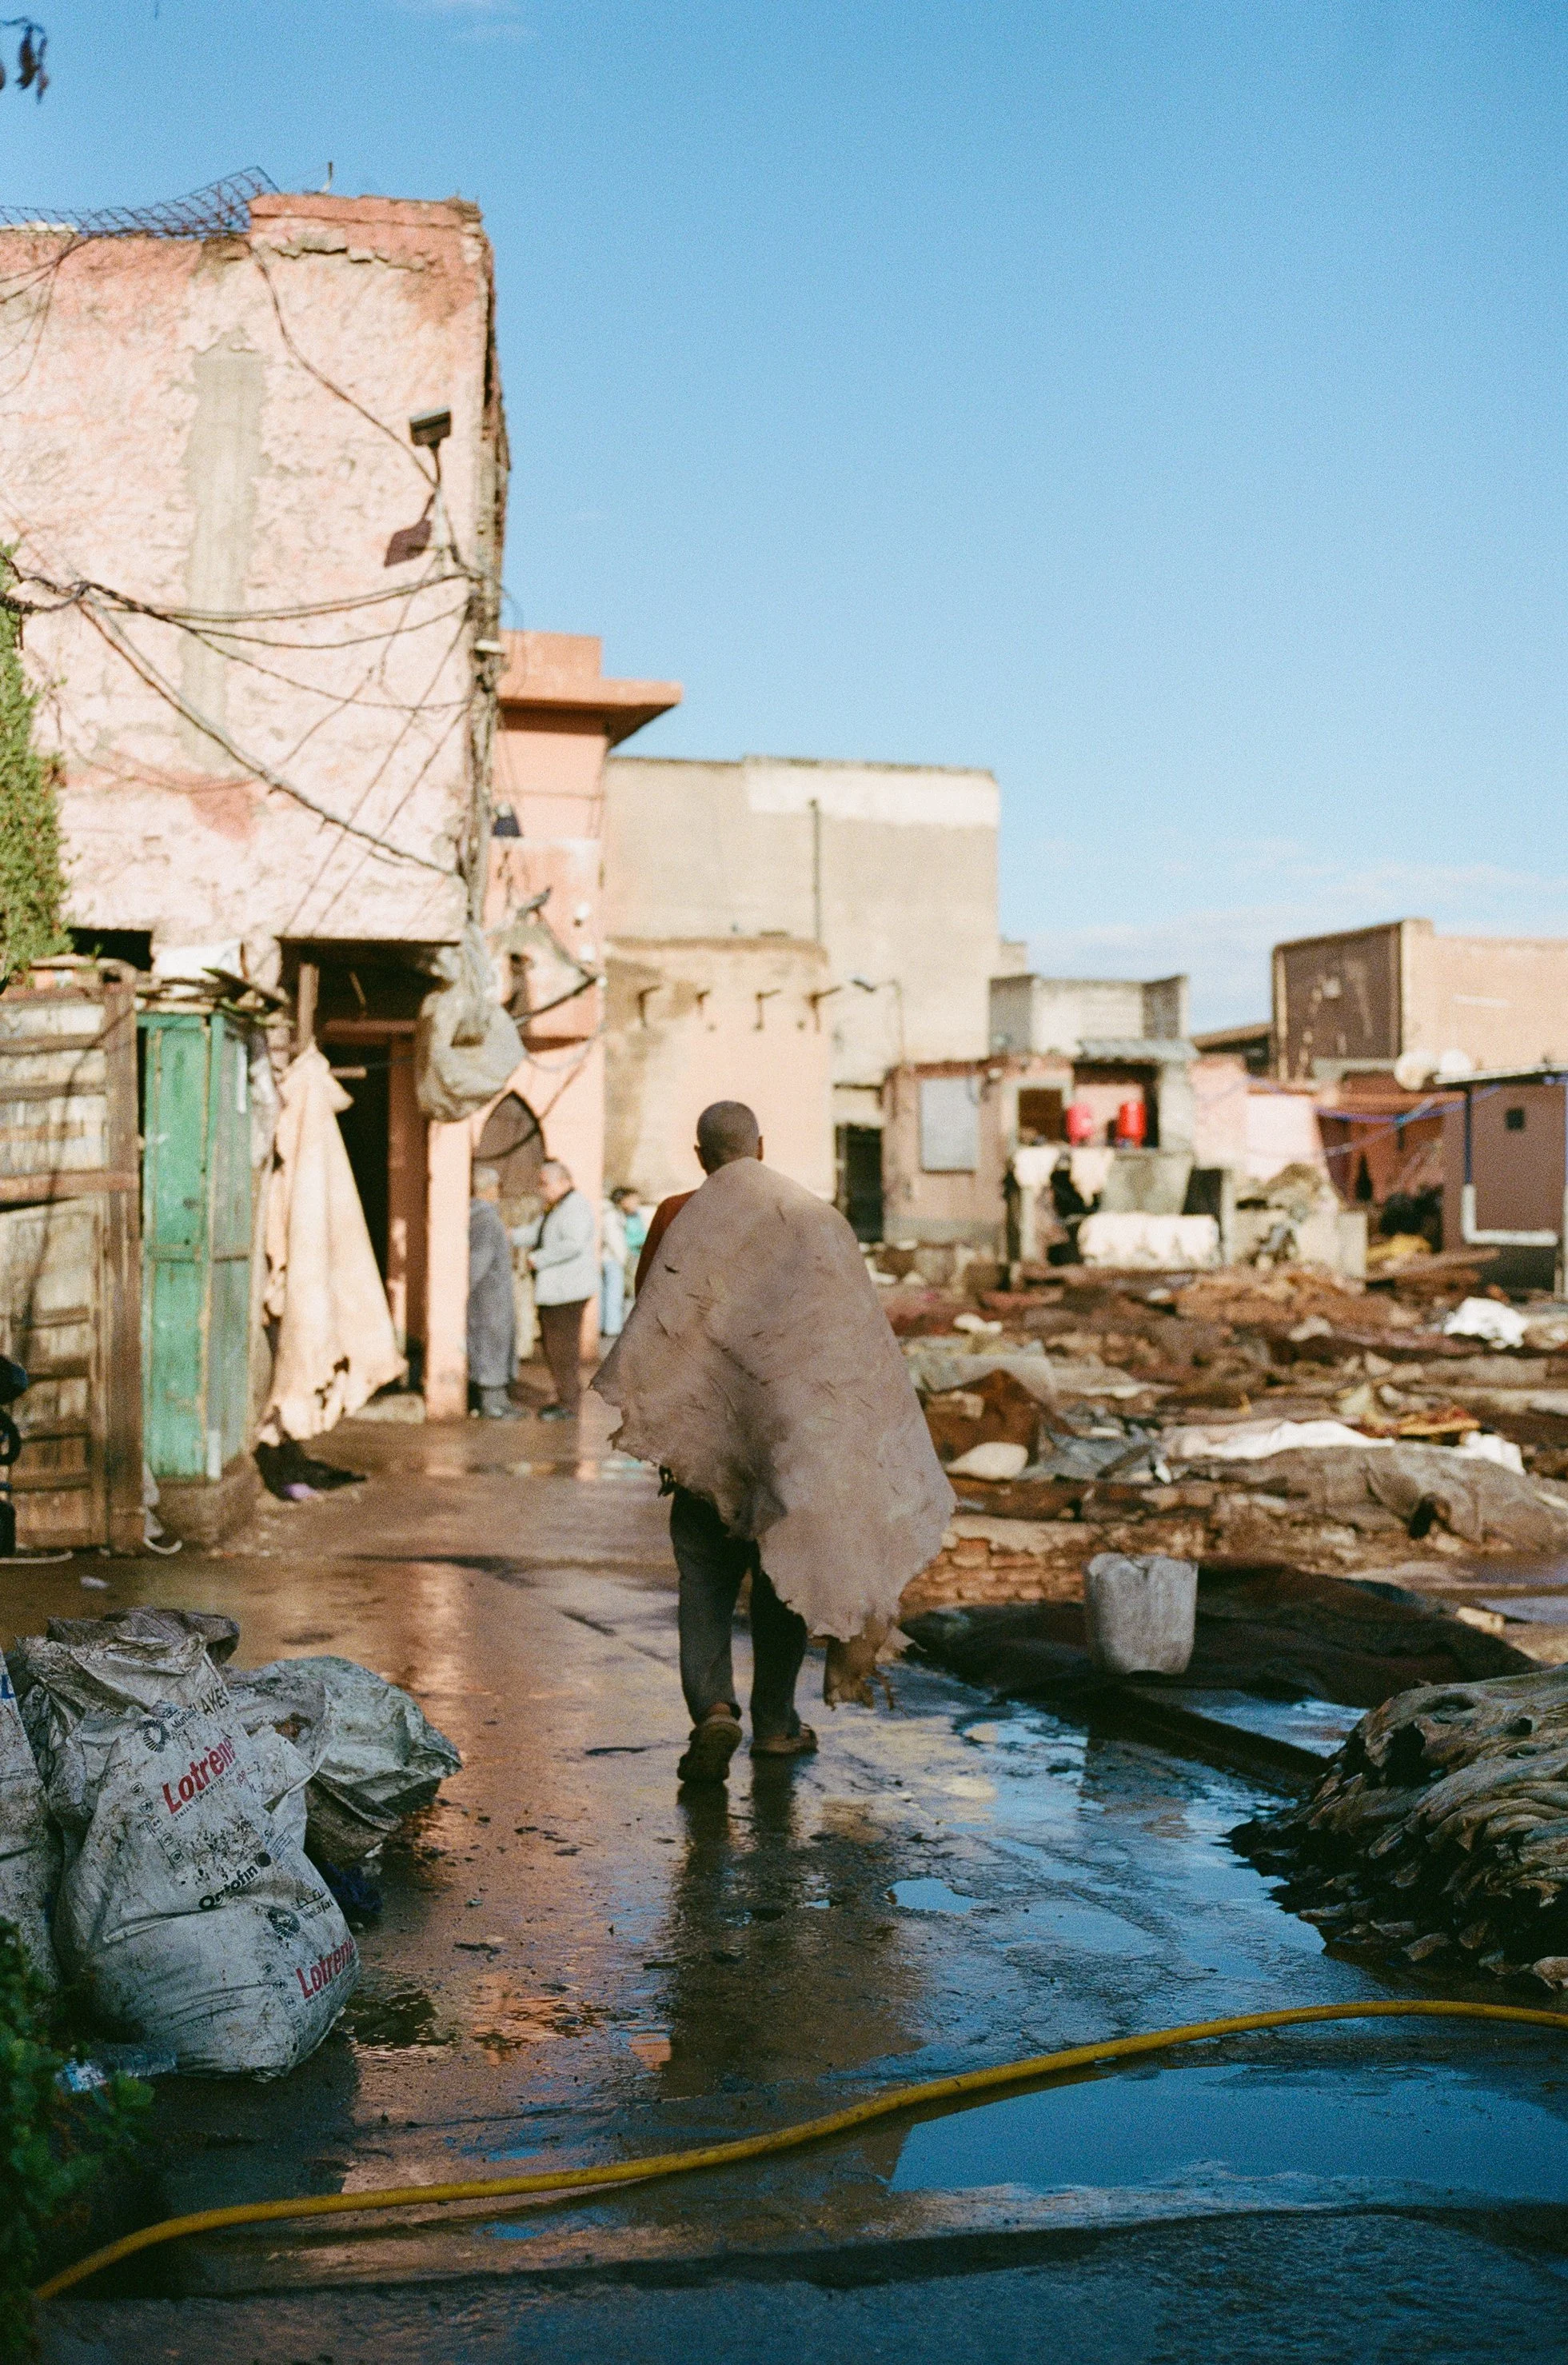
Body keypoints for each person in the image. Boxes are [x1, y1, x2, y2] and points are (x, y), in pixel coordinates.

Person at [599, 1101, 952, 1791]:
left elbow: (654, 1320)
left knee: (703, 1580)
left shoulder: (675, 1215)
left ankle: (713, 1710)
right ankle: (777, 1725)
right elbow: (847, 1339)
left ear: (702, 1156)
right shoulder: (815, 1219)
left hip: (706, 1449)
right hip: (789, 1446)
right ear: (761, 1146)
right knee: (780, 1582)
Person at [521, 1158, 596, 1421]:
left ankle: (569, 1404)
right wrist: (508, 1235)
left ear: (564, 1182)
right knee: (555, 1348)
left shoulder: (574, 1206)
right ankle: (565, 1398)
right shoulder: (557, 1206)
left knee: (562, 1349)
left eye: (546, 1183)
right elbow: (536, 1233)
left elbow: (573, 1244)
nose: (542, 1189)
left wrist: (538, 1259)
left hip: (567, 1291)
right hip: (557, 1290)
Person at [467, 1164, 519, 1420]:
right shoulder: (487, 1218)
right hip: (489, 1297)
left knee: (492, 1344)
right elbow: (479, 1259)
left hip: (488, 1295)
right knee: (491, 1346)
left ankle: (499, 1401)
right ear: (487, 1189)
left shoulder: (477, 1215)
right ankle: (493, 1405)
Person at [600, 1189, 628, 1340]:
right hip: (612, 1258)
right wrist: (622, 1258)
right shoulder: (612, 1215)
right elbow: (614, 1238)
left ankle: (606, 1324)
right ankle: (612, 1326)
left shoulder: (608, 1213)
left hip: (607, 1258)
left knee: (607, 1293)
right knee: (614, 1294)